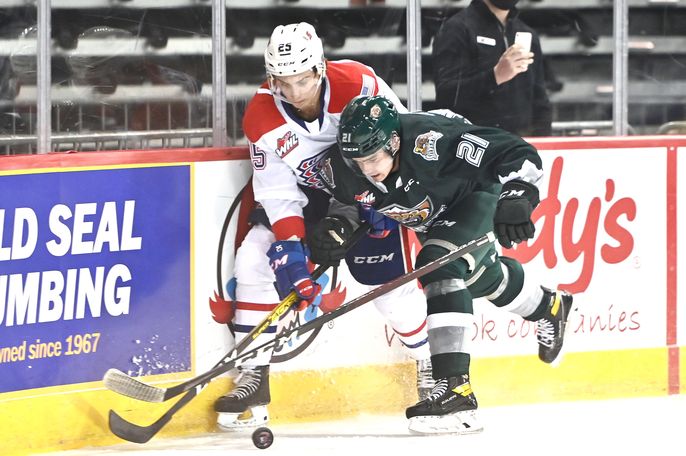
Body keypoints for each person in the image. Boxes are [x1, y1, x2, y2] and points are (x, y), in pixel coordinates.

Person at [308, 94, 573, 434]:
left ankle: (456, 390)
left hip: (476, 194)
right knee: (480, 279)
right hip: (437, 220)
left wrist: (518, 195)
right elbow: (346, 201)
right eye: (358, 161)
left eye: (373, 157)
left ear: (394, 141)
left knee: (439, 263)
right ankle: (547, 306)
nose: (368, 169)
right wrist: (336, 228)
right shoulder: (345, 167)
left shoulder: (432, 140)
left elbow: (513, 151)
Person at [214, 22, 434, 430]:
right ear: (271, 78)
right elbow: (277, 191)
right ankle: (254, 375)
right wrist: (292, 250)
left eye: (302, 79)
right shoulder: (261, 116)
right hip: (309, 198)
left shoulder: (358, 83)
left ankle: (429, 366)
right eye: (284, 82)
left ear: (319, 67)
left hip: (366, 190)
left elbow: (401, 137)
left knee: (387, 284)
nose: (295, 93)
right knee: (254, 258)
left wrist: (385, 199)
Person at [432, 0, 552, 136]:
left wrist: (543, 143)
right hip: (474, 144)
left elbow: (540, 100)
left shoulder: (527, 34)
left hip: (520, 145)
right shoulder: (456, 29)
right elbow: (446, 95)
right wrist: (495, 76)